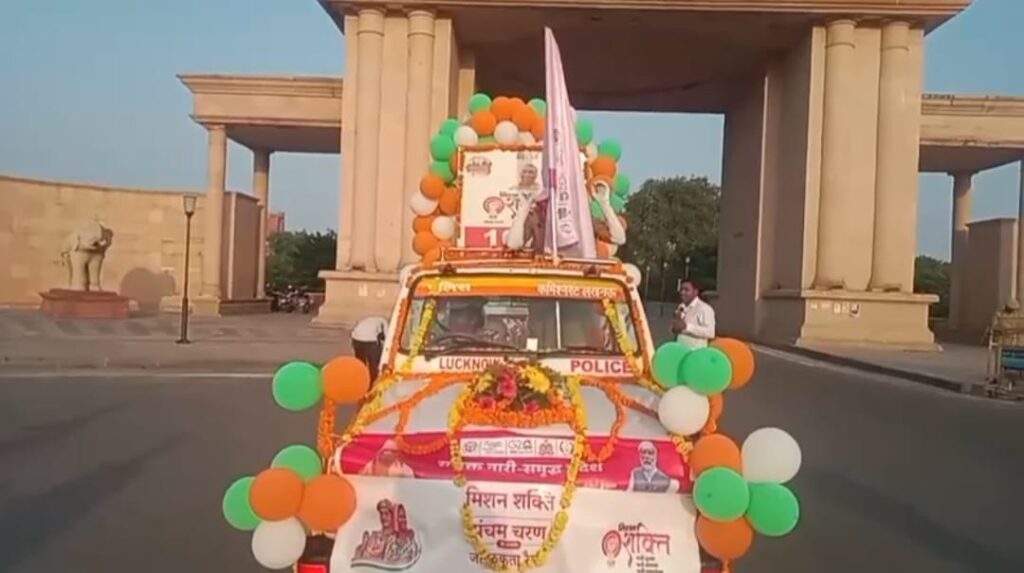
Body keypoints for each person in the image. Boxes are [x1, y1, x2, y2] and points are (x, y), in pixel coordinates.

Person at [672, 279, 716, 349]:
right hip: (680, 350)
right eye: (681, 289)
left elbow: (710, 333)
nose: (682, 292)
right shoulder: (681, 306)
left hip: (696, 352)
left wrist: (686, 327)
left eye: (686, 290)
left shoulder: (704, 308)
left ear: (695, 292)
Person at [352, 316, 388, 382]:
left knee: (360, 363)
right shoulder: (384, 322)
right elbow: (388, 338)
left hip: (356, 340)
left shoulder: (369, 320)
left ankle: (359, 381)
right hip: (370, 341)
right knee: (374, 364)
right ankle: (373, 382)